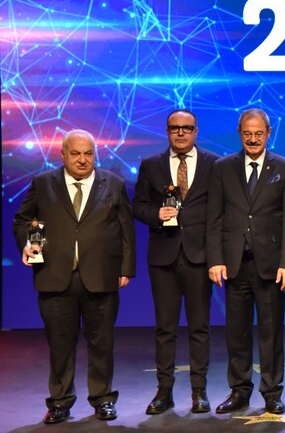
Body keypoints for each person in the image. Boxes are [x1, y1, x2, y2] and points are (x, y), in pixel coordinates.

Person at [13, 130, 136, 424]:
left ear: (95, 154)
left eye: (88, 153)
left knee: (102, 343)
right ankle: (59, 402)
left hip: (102, 275)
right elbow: (21, 220)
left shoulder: (113, 183)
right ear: (63, 155)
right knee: (60, 344)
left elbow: (126, 230)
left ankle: (103, 399)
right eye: (76, 154)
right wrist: (26, 244)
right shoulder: (43, 183)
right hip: (55, 276)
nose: (82, 160)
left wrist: (126, 268)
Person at [206, 108, 285, 414]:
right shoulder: (222, 167)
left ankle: (272, 392)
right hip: (234, 265)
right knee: (237, 332)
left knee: (271, 333)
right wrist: (215, 259)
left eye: (259, 133)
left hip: (271, 266)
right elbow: (214, 217)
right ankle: (239, 391)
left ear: (268, 133)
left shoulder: (284, 168)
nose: (253, 139)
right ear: (239, 133)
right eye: (247, 133)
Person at [133, 109, 219, 414]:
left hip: (199, 256)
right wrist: (156, 214)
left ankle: (199, 391)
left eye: (186, 128)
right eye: (174, 128)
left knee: (200, 327)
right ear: (167, 131)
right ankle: (164, 391)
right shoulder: (151, 164)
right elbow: (137, 205)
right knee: (165, 328)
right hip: (163, 257)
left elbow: (220, 210)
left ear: (196, 131)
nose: (180, 133)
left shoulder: (214, 164)